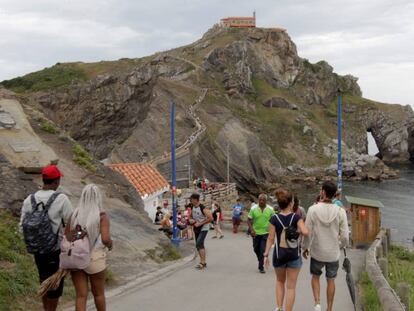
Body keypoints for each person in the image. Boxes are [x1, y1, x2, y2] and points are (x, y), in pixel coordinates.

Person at [20, 165, 73, 311]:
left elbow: (21, 226)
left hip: (37, 249)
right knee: (54, 284)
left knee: (44, 280)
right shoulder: (61, 198)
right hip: (54, 249)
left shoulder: (29, 200)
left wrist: (35, 239)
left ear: (43, 180)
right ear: (56, 182)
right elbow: (72, 222)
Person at [303, 181, 349, 311]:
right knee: (331, 280)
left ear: (322, 192)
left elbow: (307, 232)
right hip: (333, 253)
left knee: (315, 276)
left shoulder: (313, 209)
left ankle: (317, 303)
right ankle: (329, 308)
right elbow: (345, 236)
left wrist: (305, 247)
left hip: (317, 250)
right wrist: (340, 245)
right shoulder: (340, 211)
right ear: (335, 194)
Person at [264, 189, 309, 311]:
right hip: (294, 255)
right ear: (291, 203)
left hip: (279, 256)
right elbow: (305, 231)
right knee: (291, 287)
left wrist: (266, 254)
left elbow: (270, 238)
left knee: (279, 282)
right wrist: (296, 232)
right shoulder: (296, 217)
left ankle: (278, 307)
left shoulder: (274, 218)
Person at [247, 193, 275, 273]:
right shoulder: (253, 208)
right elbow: (249, 220)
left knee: (262, 249)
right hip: (255, 233)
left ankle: (261, 266)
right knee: (256, 249)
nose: (261, 201)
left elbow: (274, 220)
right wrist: (251, 229)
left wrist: (273, 232)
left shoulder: (270, 209)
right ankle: (260, 259)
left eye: (263, 200)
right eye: (260, 200)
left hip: (266, 233)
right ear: (258, 200)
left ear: (266, 201)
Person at [188, 193, 213, 269]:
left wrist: (200, 223)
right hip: (196, 227)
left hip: (204, 228)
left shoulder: (203, 208)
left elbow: (211, 218)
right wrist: (191, 220)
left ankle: (203, 262)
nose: (190, 201)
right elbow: (190, 216)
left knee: (199, 243)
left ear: (195, 200)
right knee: (198, 245)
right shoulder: (192, 206)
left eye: (191, 199)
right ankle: (202, 262)